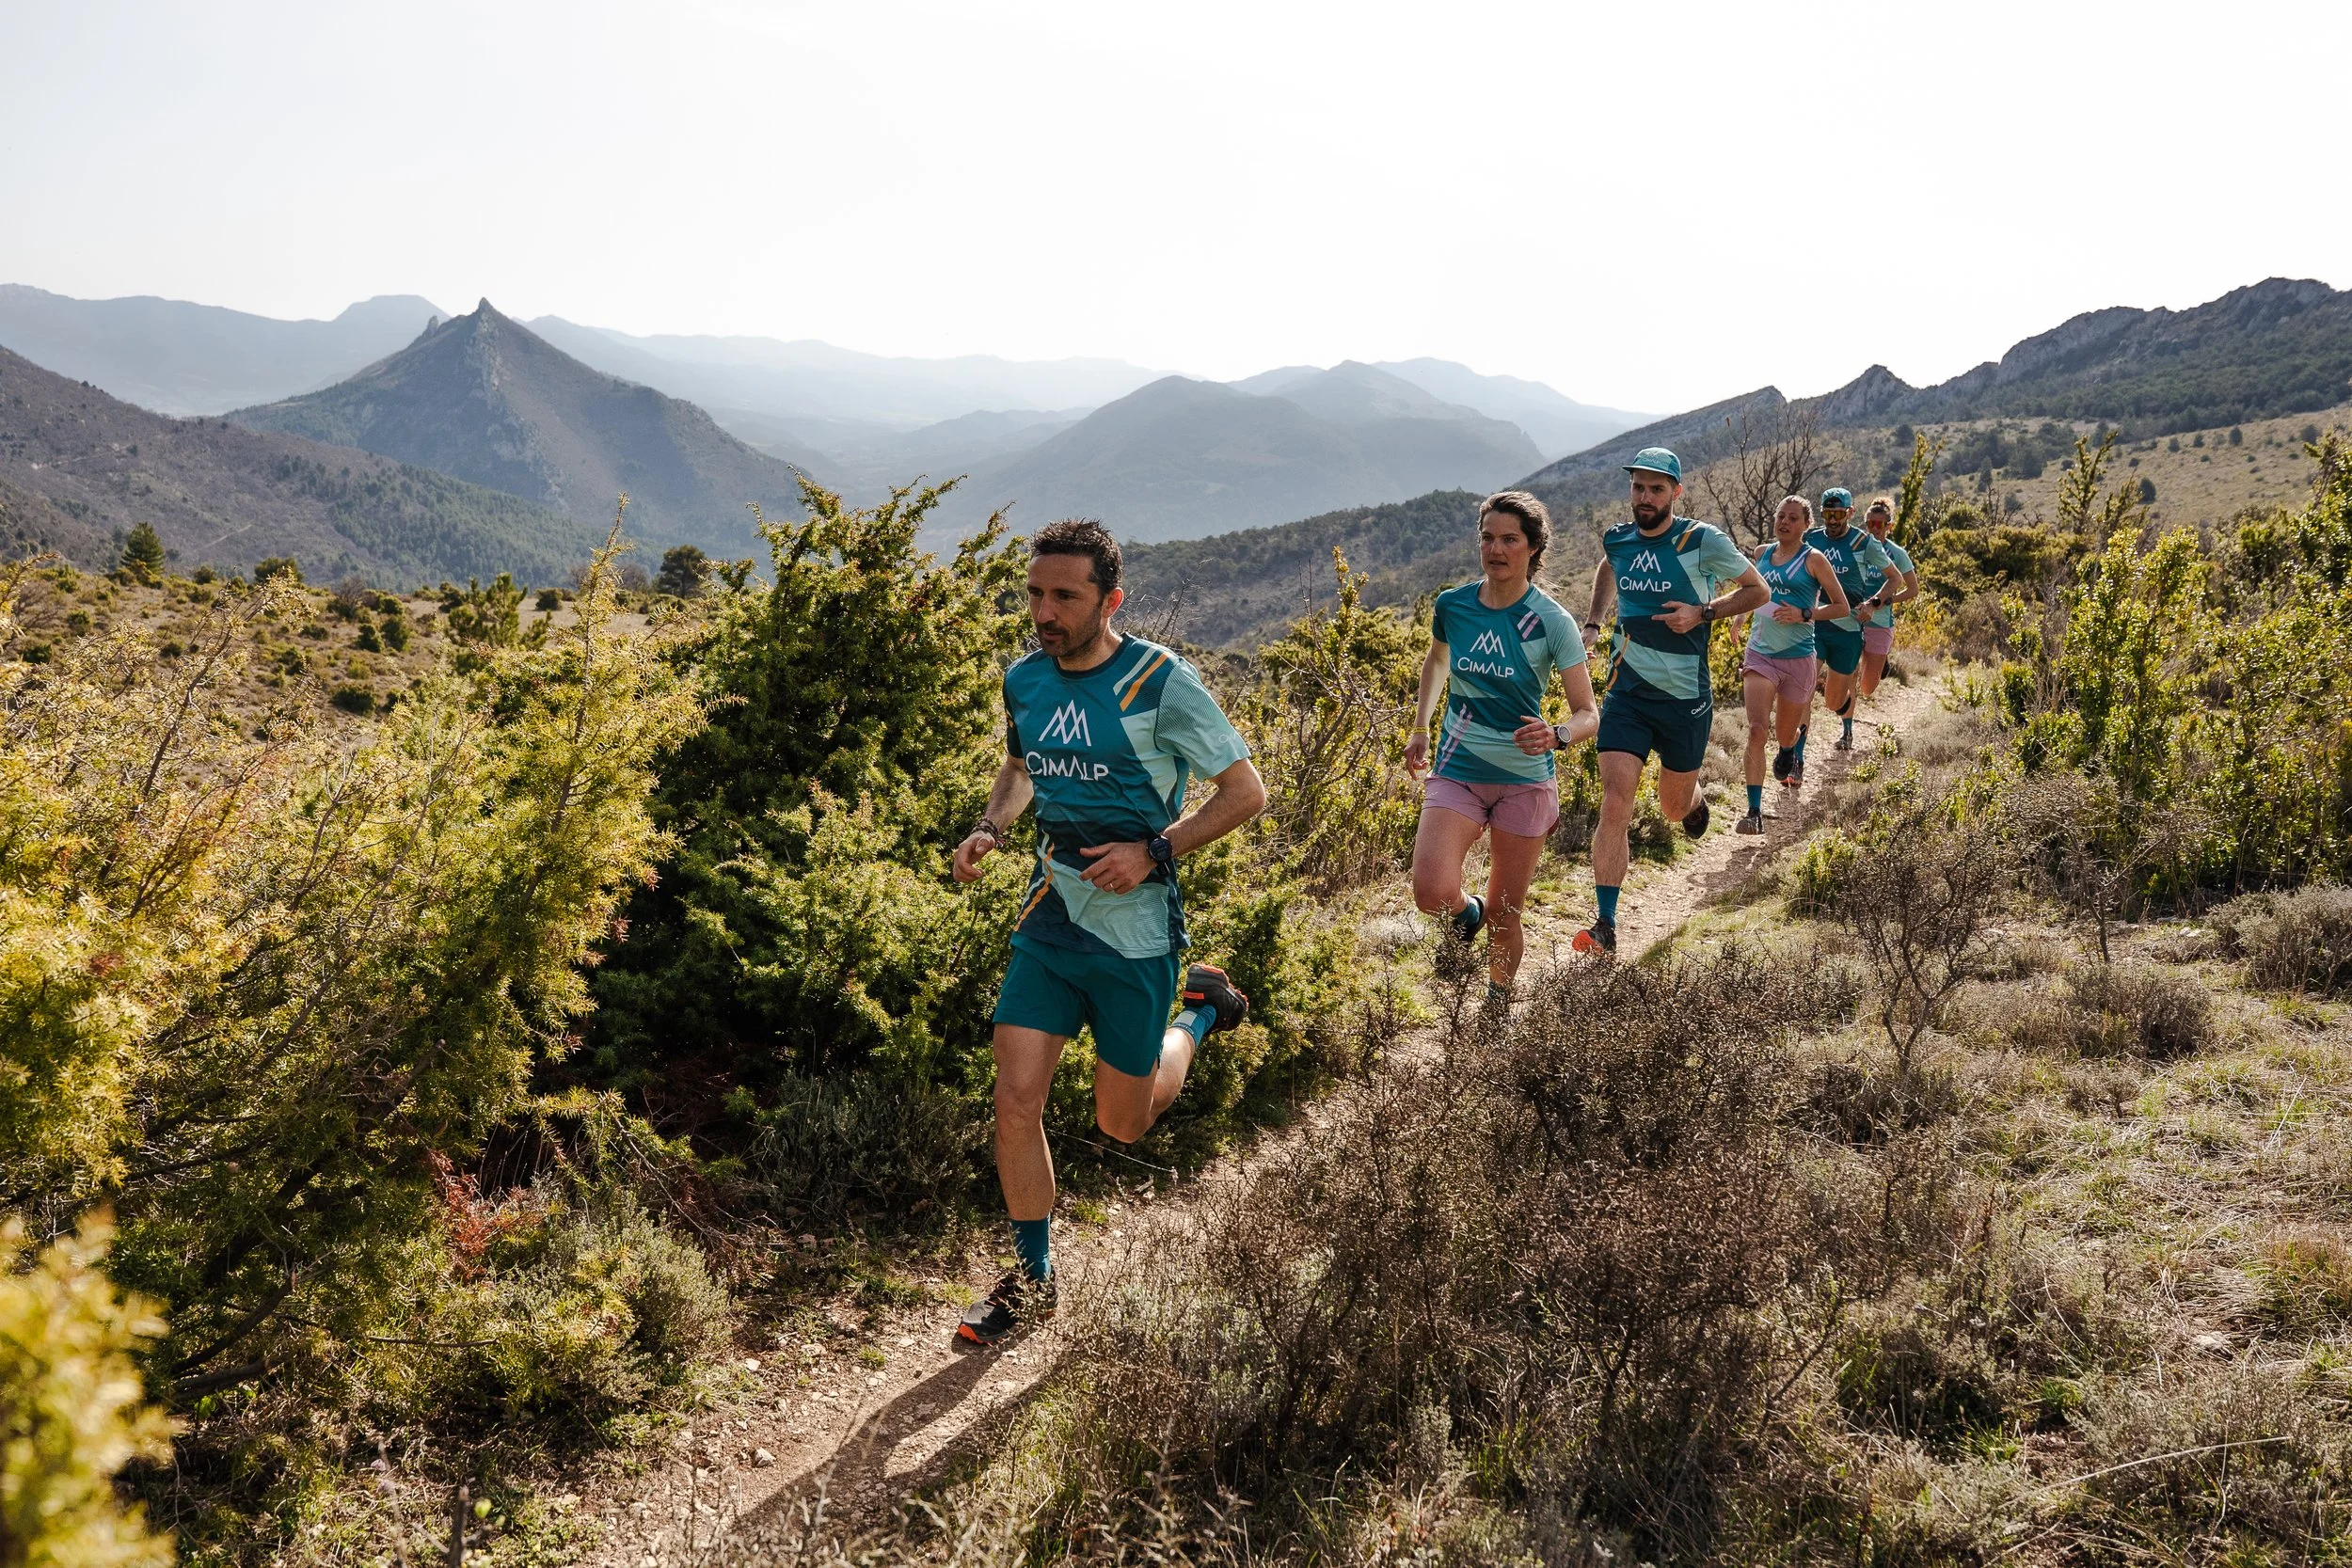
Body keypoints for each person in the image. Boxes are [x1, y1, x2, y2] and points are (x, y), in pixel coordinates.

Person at [949, 518, 1268, 1344]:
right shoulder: (1025, 678)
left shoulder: (1161, 683)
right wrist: (992, 826)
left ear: (1110, 600)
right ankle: (1033, 1279)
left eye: (1065, 596)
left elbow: (1245, 792)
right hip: (1051, 915)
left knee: (1121, 1123)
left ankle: (1198, 1011)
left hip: (1137, 933)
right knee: (1016, 1100)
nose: (1043, 612)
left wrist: (1152, 850)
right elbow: (1022, 767)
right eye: (1034, 593)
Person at [1404, 491, 1600, 1006]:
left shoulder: (1551, 622)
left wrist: (1556, 734)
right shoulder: (1454, 606)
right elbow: (1437, 662)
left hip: (1524, 779)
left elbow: (1588, 714)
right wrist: (1421, 725)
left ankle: (1496, 1000)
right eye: (1487, 537)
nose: (1496, 548)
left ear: (1533, 548)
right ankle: (1466, 914)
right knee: (1431, 891)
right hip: (1458, 766)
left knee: (1506, 911)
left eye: (1510, 539)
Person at [1577, 448, 1769, 955]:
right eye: (1638, 487)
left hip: (1684, 697)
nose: (1644, 497)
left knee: (1670, 807)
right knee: (1615, 802)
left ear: (1675, 493)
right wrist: (1595, 623)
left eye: (1655, 489)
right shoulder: (1618, 538)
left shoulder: (1700, 541)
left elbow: (1758, 590)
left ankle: (1694, 800)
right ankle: (1606, 925)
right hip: (1628, 694)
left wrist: (1702, 613)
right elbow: (1607, 566)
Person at [1734, 495, 1851, 834]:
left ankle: (1789, 750)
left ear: (1806, 525)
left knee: (1786, 733)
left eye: (1793, 518)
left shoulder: (1814, 560)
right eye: (1780, 516)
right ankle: (1753, 812)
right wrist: (1741, 617)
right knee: (1756, 730)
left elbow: (1841, 606)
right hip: (1760, 655)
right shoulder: (1762, 554)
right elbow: (1751, 591)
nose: (1784, 522)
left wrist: (1805, 614)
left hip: (1799, 658)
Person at [1805, 486, 1899, 752]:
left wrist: (1873, 603)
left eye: (1838, 514)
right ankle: (1794, 758)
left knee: (1837, 699)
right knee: (1804, 689)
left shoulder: (1863, 543)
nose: (1833, 521)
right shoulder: (1810, 539)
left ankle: (1842, 707)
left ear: (1850, 513)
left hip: (1848, 629)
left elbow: (1896, 578)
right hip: (1815, 624)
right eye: (1827, 514)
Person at [1856, 496, 1920, 701]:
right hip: (1853, 617)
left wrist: (1890, 600)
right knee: (1847, 673)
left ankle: (1880, 662)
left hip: (1880, 622)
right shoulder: (1856, 547)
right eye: (1870, 524)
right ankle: (1847, 728)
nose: (1874, 528)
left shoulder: (1898, 554)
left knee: (1867, 687)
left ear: (1889, 526)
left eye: (1879, 524)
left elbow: (1913, 589)